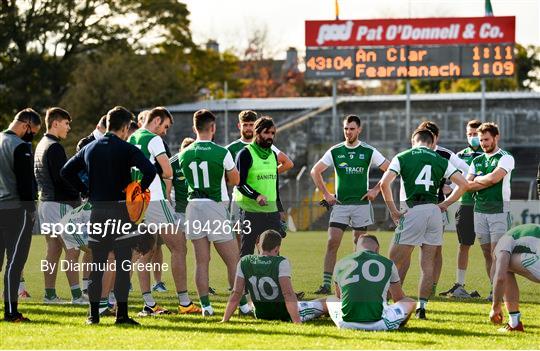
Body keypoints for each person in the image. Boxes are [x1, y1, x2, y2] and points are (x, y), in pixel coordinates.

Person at [61, 105, 156, 325]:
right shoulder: (127, 148)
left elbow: (66, 171)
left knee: (98, 264)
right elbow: (151, 170)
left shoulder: (90, 148)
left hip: (98, 212)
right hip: (121, 212)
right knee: (123, 265)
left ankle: (93, 315)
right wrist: (139, 190)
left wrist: (85, 190)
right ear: (124, 127)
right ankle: (121, 315)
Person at [380, 128, 469, 319]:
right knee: (427, 264)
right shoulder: (440, 159)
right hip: (434, 212)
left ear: (414, 141)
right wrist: (445, 204)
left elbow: (383, 184)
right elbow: (464, 184)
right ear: (431, 143)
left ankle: (384, 305)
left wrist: (393, 211)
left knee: (393, 261)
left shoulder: (402, 156)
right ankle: (422, 308)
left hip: (413, 211)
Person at [129, 107, 201, 315]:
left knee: (144, 251)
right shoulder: (153, 139)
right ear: (157, 120)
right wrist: (163, 175)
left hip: (136, 201)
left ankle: (148, 303)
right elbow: (168, 171)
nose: (165, 132)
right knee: (179, 247)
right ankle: (185, 303)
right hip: (155, 199)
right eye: (165, 126)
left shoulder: (132, 137)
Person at [179, 109, 247, 316]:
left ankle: (206, 307)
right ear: (213, 128)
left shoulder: (184, 153)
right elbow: (235, 180)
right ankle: (243, 305)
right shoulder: (222, 152)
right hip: (214, 206)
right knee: (233, 259)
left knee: (201, 260)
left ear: (194, 128)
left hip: (193, 208)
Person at [311, 114, 389, 294]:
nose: (348, 132)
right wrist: (326, 193)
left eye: (352, 129)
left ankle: (356, 282)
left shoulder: (369, 151)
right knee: (332, 242)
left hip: (361, 205)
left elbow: (390, 168)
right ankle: (325, 284)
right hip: (340, 204)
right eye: (346, 128)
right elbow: (315, 171)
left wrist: (376, 189)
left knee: (359, 244)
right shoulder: (335, 151)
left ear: (359, 130)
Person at [35, 107, 86, 304]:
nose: (69, 128)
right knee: (72, 250)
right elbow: (62, 178)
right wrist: (81, 192)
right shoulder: (54, 147)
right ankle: (76, 297)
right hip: (60, 205)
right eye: (66, 123)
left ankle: (49, 295)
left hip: (46, 204)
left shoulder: (41, 144)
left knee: (53, 250)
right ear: (55, 123)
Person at [414, 121, 469, 297]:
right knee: (408, 248)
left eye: (432, 135)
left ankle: (432, 287)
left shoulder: (445, 154)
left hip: (437, 207)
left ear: (436, 137)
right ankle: (397, 289)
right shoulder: (413, 154)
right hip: (414, 207)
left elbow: (467, 170)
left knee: (435, 248)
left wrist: (451, 187)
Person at [222, 229, 326, 323]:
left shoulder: (245, 261)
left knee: (250, 299)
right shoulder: (281, 262)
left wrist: (225, 319)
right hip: (284, 315)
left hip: (261, 314)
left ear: (258, 244)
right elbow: (288, 294)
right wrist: (297, 321)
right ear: (277, 248)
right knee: (330, 301)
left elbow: (236, 292)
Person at [226, 110, 294, 248]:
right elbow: (229, 177)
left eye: (251, 125)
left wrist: (268, 173)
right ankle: (243, 264)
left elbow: (288, 163)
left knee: (264, 239)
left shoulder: (269, 146)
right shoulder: (231, 149)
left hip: (263, 200)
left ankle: (260, 263)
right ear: (239, 126)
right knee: (240, 237)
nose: (248, 128)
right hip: (240, 200)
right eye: (245, 125)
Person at [0, 108, 41, 322]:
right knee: (15, 262)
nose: (32, 135)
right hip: (16, 209)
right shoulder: (19, 146)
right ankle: (10, 311)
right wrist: (32, 209)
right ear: (26, 125)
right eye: (33, 130)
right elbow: (25, 183)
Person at [467, 122, 515, 301]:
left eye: (486, 139)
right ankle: (493, 288)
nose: (484, 144)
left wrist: (478, 180)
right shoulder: (476, 160)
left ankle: (496, 293)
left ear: (496, 137)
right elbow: (467, 185)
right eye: (481, 140)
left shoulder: (506, 157)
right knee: (487, 253)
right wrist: (482, 181)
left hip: (499, 212)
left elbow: (495, 178)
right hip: (479, 211)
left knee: (498, 254)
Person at [326, 234, 415, 331]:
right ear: (377, 249)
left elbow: (339, 297)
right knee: (409, 301)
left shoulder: (340, 263)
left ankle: (310, 309)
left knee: (331, 298)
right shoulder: (388, 263)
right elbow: (398, 298)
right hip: (380, 323)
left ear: (356, 248)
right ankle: (399, 323)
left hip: (345, 323)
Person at [440, 119, 484, 298]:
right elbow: (447, 181)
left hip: (485, 205)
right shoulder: (459, 156)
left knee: (490, 248)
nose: (473, 137)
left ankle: (495, 287)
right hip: (465, 205)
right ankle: (459, 284)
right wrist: (445, 188)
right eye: (470, 134)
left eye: (476, 134)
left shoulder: (489, 153)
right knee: (463, 245)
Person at [235, 116, 286, 257]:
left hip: (272, 213)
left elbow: (274, 184)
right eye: (266, 133)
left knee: (273, 251)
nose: (270, 136)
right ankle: (244, 280)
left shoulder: (273, 155)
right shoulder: (245, 154)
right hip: (250, 213)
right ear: (257, 133)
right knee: (246, 252)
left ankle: (269, 279)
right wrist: (256, 196)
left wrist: (280, 208)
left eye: (272, 133)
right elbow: (239, 183)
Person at [489, 224, 540, 332]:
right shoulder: (515, 234)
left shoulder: (501, 247)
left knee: (504, 266)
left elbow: (500, 278)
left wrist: (495, 307)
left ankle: (514, 323)